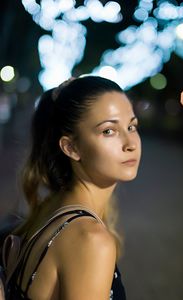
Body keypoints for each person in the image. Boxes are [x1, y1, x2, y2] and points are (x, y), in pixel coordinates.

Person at [9, 75, 141, 299]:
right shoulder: (90, 241)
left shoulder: (51, 208)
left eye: (131, 126)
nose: (130, 144)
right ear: (71, 147)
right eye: (108, 130)